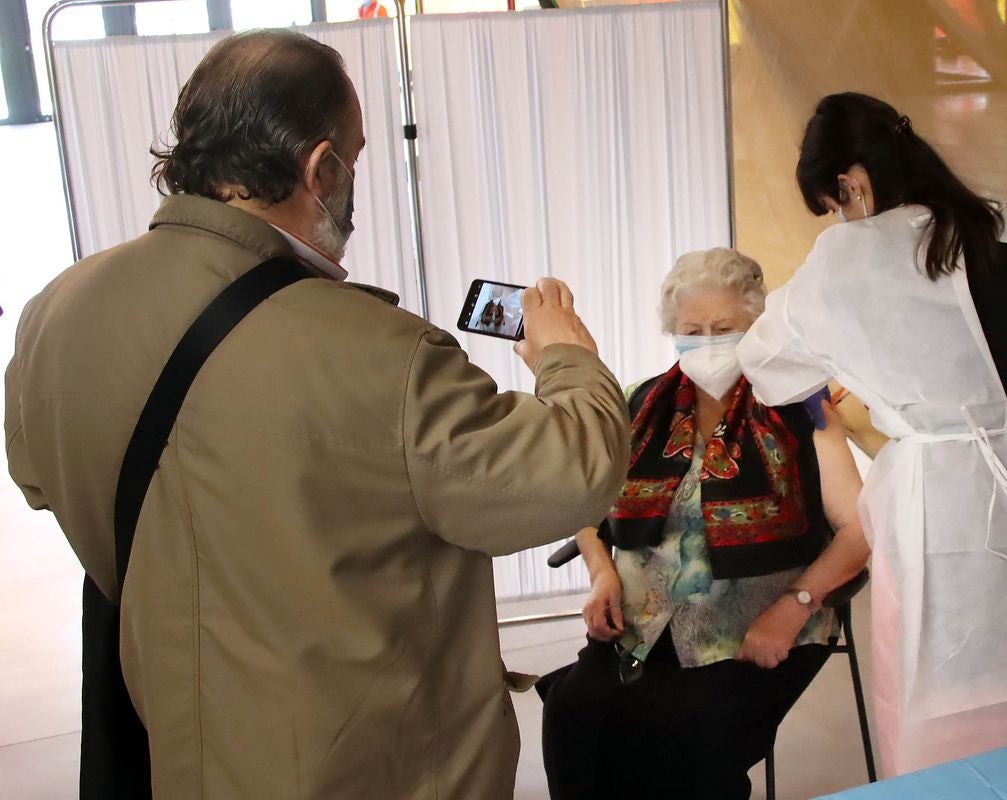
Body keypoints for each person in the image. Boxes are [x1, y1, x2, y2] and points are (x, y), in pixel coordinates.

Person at [4, 31, 630, 799]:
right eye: (356, 160)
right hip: (369, 765)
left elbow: (37, 476)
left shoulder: (56, 311)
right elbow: (570, 477)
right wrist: (566, 357)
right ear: (321, 168)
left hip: (180, 748)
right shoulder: (382, 354)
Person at [737, 92, 1007, 776]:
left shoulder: (854, 253)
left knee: (950, 681)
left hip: (946, 491)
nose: (842, 217)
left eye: (836, 201)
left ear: (849, 180)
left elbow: (767, 365)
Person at [538, 248, 869, 800]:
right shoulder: (637, 404)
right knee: (573, 716)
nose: (708, 341)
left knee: (682, 740)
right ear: (672, 332)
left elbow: (859, 531)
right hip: (641, 622)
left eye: (725, 328)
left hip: (755, 626)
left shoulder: (803, 410)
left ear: (756, 327)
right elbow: (584, 505)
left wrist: (793, 610)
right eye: (693, 329)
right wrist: (601, 573)